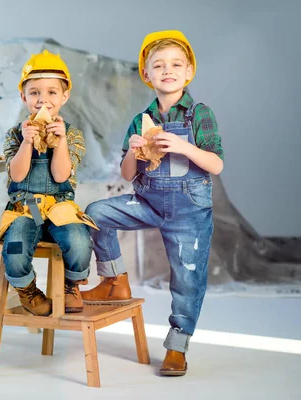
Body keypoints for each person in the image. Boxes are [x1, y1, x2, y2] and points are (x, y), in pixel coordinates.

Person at [82, 30, 224, 376]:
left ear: (188, 71)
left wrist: (184, 147)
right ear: (147, 75)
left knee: (187, 279)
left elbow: (216, 165)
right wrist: (134, 150)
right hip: (148, 202)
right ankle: (115, 280)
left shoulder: (199, 114)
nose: (167, 70)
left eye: (176, 64)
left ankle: (177, 346)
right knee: (96, 213)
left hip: (189, 211)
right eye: (158, 65)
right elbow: (128, 175)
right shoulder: (140, 119)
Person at [0, 50, 97, 316]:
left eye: (52, 92)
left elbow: (61, 176)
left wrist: (59, 142)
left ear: (65, 96)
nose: (43, 100)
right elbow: (17, 175)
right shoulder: (15, 134)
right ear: (23, 97)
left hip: (59, 208)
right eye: (35, 92)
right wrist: (27, 142)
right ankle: (28, 290)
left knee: (80, 241)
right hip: (26, 209)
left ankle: (72, 285)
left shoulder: (71, 135)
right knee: (14, 248)